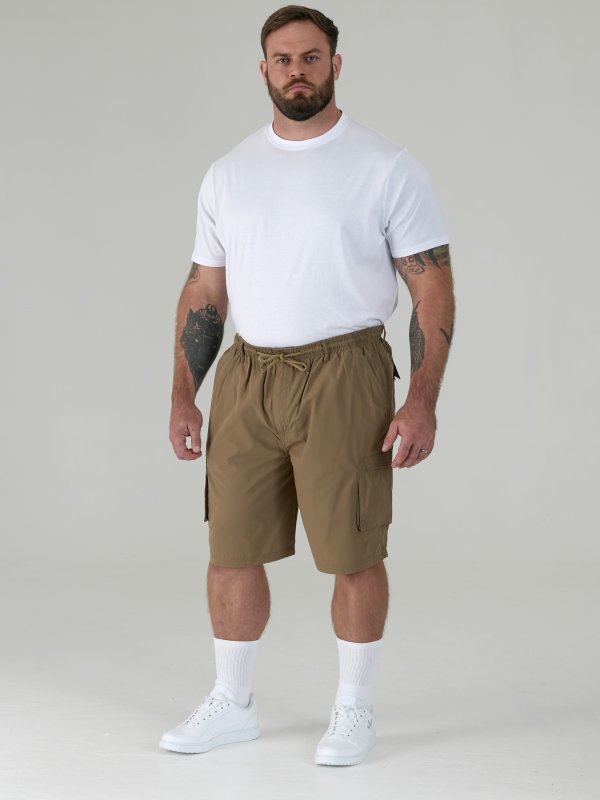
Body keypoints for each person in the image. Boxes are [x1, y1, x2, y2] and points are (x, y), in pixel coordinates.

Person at [160, 4, 455, 767]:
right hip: (248, 375)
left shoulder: (385, 166)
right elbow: (205, 292)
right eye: (284, 59)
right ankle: (233, 702)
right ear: (263, 69)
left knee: (352, 550)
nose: (298, 71)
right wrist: (184, 393)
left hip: (344, 371)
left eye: (311, 57)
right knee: (231, 547)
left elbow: (431, 289)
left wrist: (421, 399)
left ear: (335, 65)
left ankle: (353, 710)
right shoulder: (229, 173)